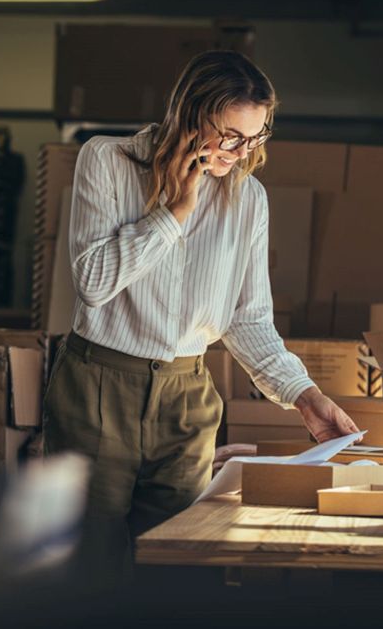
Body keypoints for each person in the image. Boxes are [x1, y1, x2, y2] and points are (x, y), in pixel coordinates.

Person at [42, 50, 360, 579]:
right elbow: (93, 284)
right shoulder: (107, 160)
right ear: (190, 114)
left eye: (255, 137)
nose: (241, 151)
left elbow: (248, 318)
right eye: (231, 135)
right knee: (88, 564)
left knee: (176, 563)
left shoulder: (248, 199)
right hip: (97, 387)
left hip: (187, 397)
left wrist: (304, 396)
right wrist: (174, 215)